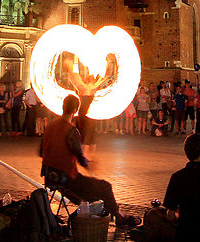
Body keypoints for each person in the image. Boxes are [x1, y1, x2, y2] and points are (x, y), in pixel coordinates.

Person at [40, 94, 138, 228]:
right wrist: (89, 166)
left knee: (92, 193)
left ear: (63, 107)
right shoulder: (70, 131)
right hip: (67, 179)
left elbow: (40, 152)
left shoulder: (50, 126)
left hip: (50, 177)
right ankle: (118, 217)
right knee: (105, 187)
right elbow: (79, 156)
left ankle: (106, 213)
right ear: (75, 110)